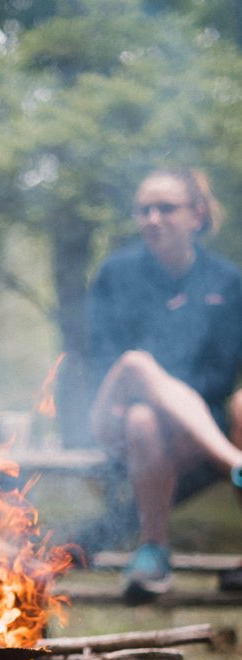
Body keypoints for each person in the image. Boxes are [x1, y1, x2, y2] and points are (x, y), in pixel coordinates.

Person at [87, 168, 242, 603]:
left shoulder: (226, 282)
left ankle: (153, 556)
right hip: (114, 415)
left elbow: (220, 374)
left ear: (197, 215)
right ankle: (235, 462)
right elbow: (104, 360)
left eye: (166, 208)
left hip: (186, 430)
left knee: (230, 406)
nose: (153, 218)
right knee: (137, 371)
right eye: (144, 209)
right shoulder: (116, 273)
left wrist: (172, 407)